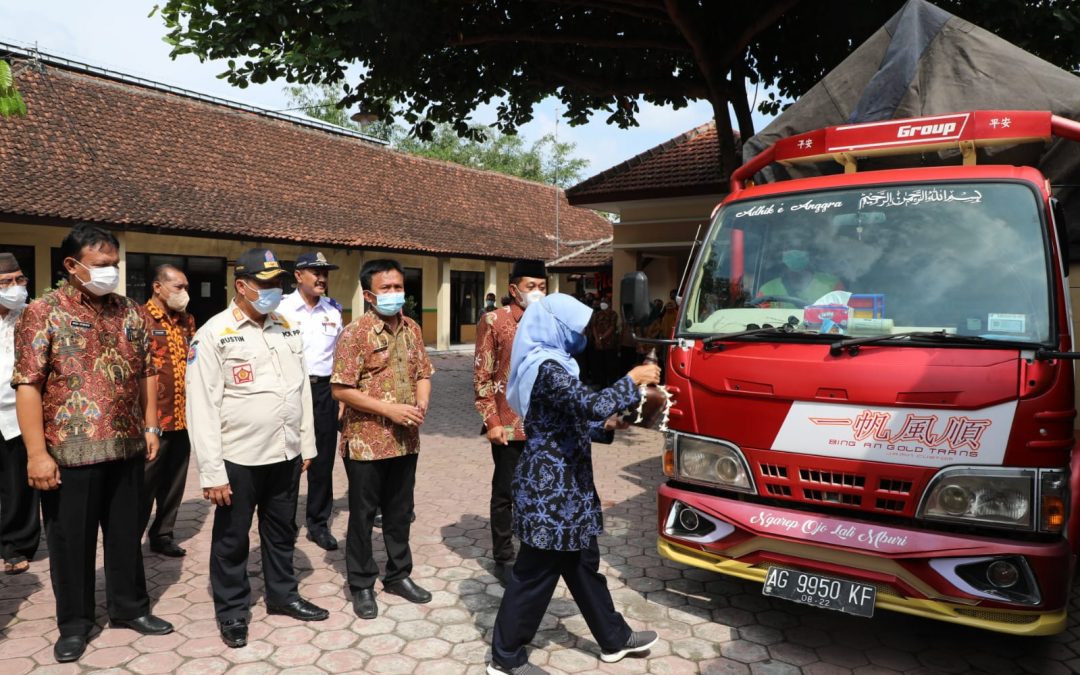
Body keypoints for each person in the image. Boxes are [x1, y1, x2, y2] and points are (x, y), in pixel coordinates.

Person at [13, 224, 173, 663]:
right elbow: (28, 384)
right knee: (71, 543)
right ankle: (75, 624)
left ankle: (130, 607)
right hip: (69, 451)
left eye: (115, 264)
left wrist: (151, 427)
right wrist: (36, 454)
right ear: (72, 265)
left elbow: (146, 372)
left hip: (126, 447)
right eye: (102, 265)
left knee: (125, 535)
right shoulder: (43, 312)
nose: (111, 272)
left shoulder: (131, 311)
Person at [487, 293, 660, 675]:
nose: (582, 337)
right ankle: (505, 658)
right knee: (533, 575)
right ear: (555, 328)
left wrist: (608, 425)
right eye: (576, 329)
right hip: (550, 492)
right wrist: (633, 379)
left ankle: (614, 639)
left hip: (570, 488)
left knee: (583, 566)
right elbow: (590, 404)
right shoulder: (546, 367)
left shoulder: (555, 364)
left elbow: (567, 419)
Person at [186, 248, 328, 649]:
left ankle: (283, 595)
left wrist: (306, 445)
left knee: (282, 532)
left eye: (278, 283)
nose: (273, 290)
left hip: (285, 453)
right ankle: (232, 610)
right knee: (232, 539)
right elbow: (202, 407)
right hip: (239, 458)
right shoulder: (214, 333)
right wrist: (212, 472)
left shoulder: (286, 327)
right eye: (265, 284)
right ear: (241, 286)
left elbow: (300, 390)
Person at [332, 258, 434, 620]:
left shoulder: (412, 329)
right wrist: (388, 410)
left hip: (406, 439)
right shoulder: (355, 333)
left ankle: (398, 574)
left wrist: (422, 399)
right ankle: (361, 583)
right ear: (368, 295)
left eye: (398, 287)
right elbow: (341, 389)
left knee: (400, 511)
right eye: (386, 288)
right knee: (362, 515)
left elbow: (424, 372)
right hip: (366, 442)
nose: (394, 293)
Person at [473, 259, 546, 585]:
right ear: (514, 289)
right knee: (506, 493)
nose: (537, 292)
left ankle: (536, 550)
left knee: (541, 490)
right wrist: (491, 421)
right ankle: (504, 557)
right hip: (509, 424)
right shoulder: (494, 321)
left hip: (545, 425)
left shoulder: (550, 319)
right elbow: (482, 376)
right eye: (531, 286)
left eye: (542, 287)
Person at [278, 251, 343, 551]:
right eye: (315, 272)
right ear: (298, 275)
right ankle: (284, 524)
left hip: (324, 391)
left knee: (322, 461)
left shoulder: (333, 311)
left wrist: (342, 398)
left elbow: (339, 356)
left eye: (324, 273)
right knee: (289, 459)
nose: (321, 278)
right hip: (290, 391)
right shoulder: (281, 309)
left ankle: (318, 523)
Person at [139, 264, 197, 558]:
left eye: (186, 287)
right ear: (157, 287)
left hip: (183, 417)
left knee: (174, 482)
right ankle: (129, 537)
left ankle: (163, 534)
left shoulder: (187, 321)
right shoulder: (139, 318)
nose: (184, 293)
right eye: (178, 287)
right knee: (144, 482)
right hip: (152, 420)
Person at [0, 253, 38, 575]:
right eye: (6, 282)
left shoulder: (32, 316)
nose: (15, 287)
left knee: (18, 484)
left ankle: (17, 545)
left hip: (18, 414)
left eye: (19, 279)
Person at [757, 249, 843, 307]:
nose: (795, 254)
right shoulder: (767, 290)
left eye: (800, 248)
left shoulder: (832, 285)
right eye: (790, 248)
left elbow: (844, 316)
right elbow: (759, 319)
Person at [588, 296, 619, 387]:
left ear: (609, 303)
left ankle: (612, 384)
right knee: (599, 364)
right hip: (598, 344)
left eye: (605, 302)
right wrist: (597, 339)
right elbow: (593, 326)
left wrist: (602, 338)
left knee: (610, 364)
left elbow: (612, 327)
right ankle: (602, 384)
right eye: (602, 302)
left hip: (609, 343)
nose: (603, 304)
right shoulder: (597, 314)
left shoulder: (613, 314)